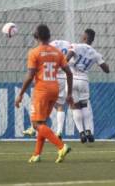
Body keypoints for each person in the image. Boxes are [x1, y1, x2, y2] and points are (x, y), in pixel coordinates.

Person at [15, 24, 74, 163]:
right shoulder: (57, 52)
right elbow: (69, 73)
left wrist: (21, 94)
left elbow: (30, 76)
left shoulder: (34, 53)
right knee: (42, 123)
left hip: (42, 90)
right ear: (49, 36)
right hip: (55, 89)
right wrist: (69, 93)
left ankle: (61, 146)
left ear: (36, 37)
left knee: (36, 125)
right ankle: (37, 154)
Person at [66, 28, 109, 143]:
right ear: (92, 40)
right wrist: (99, 60)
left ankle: (81, 133)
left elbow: (66, 59)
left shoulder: (75, 46)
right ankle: (89, 131)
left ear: (84, 37)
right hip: (84, 80)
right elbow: (107, 69)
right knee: (85, 106)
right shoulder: (95, 53)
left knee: (75, 106)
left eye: (82, 36)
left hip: (72, 79)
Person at [22, 39, 71, 139]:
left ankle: (33, 127)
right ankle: (59, 131)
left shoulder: (49, 47)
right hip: (63, 77)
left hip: (50, 77)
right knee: (60, 105)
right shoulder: (68, 45)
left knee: (38, 102)